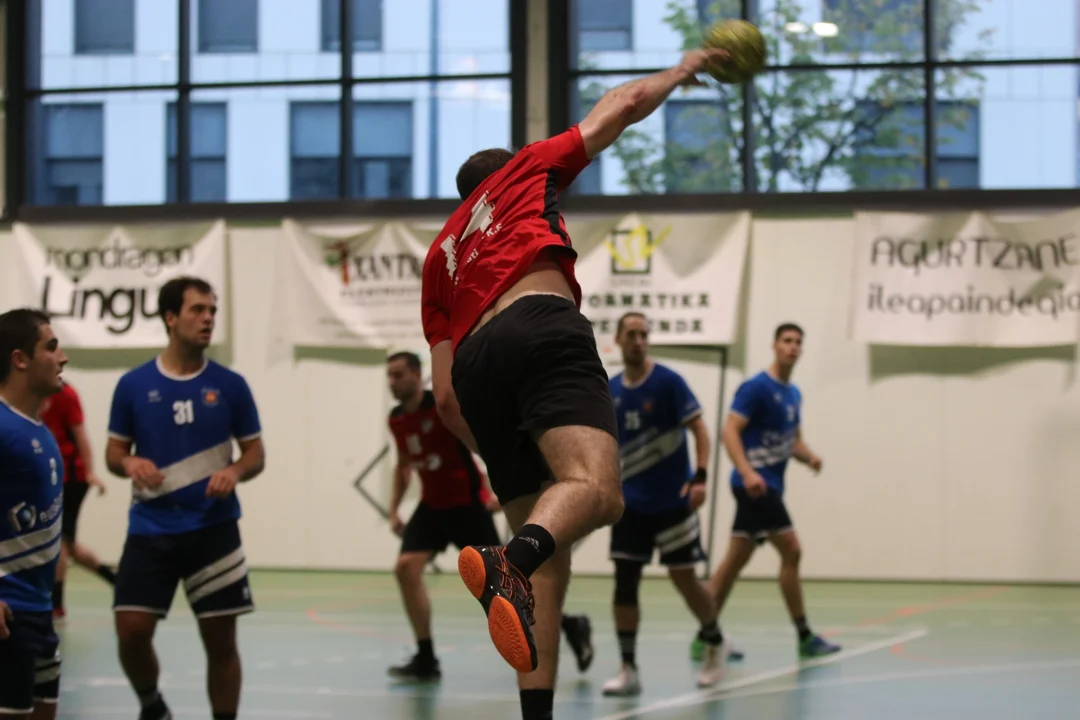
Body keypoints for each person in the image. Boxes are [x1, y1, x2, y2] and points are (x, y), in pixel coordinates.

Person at [419, 45, 730, 720]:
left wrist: (496, 449)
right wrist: (681, 70)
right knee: (598, 491)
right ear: (504, 174)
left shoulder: (439, 256)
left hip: (475, 369)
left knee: (547, 573)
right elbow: (621, 105)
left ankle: (532, 678)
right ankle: (509, 560)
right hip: (538, 325)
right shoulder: (526, 171)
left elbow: (443, 400)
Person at [105, 277, 266, 720]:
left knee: (220, 639)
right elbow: (113, 454)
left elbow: (255, 454)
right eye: (198, 310)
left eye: (212, 310)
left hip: (214, 530)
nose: (208, 318)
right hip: (150, 529)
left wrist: (234, 471)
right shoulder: (133, 385)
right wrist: (130, 463)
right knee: (131, 631)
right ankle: (152, 705)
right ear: (171, 318)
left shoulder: (231, 385)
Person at [384, 351, 595, 682]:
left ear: (416, 374)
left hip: (467, 506)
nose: (392, 382)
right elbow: (403, 466)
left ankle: (570, 625)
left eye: (398, 375)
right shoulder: (397, 419)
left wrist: (497, 491)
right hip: (431, 506)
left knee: (503, 586)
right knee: (405, 568)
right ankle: (426, 658)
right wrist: (394, 508)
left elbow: (483, 444)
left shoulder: (441, 407)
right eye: (390, 376)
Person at [600, 313, 727, 695]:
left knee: (684, 579)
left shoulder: (669, 382)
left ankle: (715, 640)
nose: (639, 340)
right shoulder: (610, 390)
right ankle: (628, 668)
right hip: (630, 507)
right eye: (632, 334)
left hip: (673, 502)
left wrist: (699, 477)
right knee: (625, 584)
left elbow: (700, 429)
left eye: (644, 334)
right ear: (618, 339)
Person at [702, 323, 841, 661]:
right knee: (792, 550)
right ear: (774, 346)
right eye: (787, 340)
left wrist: (810, 457)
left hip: (770, 486)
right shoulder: (756, 388)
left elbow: (793, 442)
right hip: (755, 487)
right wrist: (747, 472)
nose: (793, 346)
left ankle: (705, 636)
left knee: (734, 561)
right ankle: (804, 636)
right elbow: (730, 431)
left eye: (798, 342)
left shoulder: (793, 395)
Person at [0, 309, 68, 720]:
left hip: (38, 614)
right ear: (20, 359)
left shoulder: (37, 429)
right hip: (9, 614)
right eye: (52, 347)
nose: (63, 358)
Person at [39, 380, 116, 619]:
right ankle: (119, 582)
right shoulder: (31, 392)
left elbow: (80, 435)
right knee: (70, 546)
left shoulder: (65, 394)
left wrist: (90, 472)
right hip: (49, 476)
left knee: (59, 542)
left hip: (71, 477)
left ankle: (56, 605)